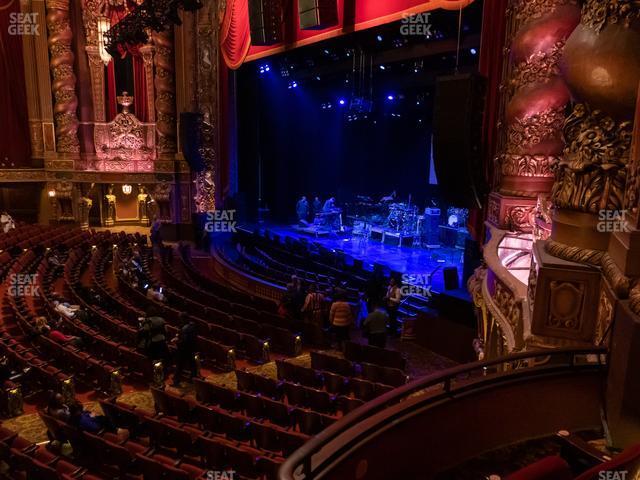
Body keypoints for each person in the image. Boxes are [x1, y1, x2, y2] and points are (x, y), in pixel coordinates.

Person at [172, 320, 198, 386]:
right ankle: (193, 379)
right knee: (192, 365)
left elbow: (184, 341)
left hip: (183, 350)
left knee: (179, 366)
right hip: (190, 349)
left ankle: (176, 382)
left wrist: (177, 342)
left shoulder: (185, 329)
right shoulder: (192, 327)